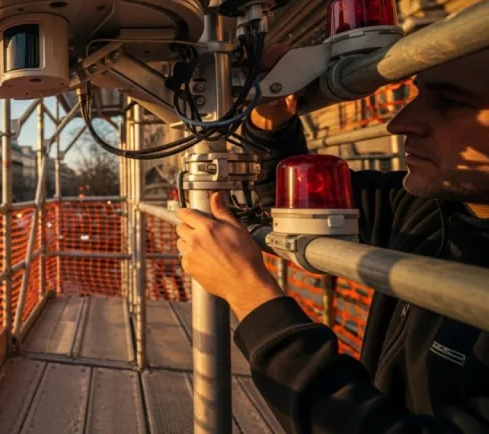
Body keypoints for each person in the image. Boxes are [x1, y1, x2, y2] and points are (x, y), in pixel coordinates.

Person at [174, 47, 489, 433]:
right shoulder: (433, 206)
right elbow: (297, 201)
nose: (401, 122)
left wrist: (249, 295)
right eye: (418, 94)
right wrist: (271, 120)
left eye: (451, 102)